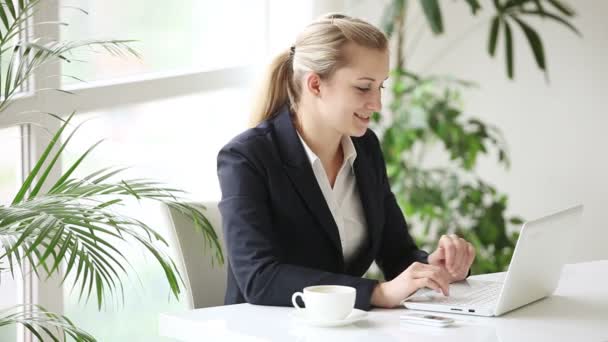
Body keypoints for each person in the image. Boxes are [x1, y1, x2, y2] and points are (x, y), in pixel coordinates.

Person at [216, 13, 475, 311]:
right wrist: (375, 293)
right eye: (364, 87)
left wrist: (435, 265)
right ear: (315, 85)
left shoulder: (365, 147)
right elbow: (259, 278)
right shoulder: (246, 158)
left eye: (381, 87)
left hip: (341, 329)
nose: (377, 104)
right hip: (265, 330)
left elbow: (396, 254)